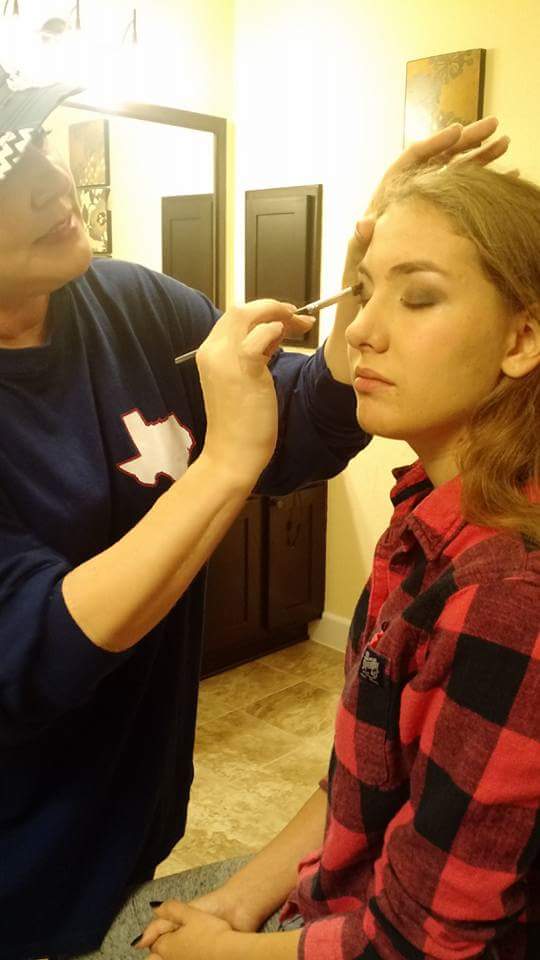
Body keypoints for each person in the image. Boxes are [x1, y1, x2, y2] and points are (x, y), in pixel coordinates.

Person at [0, 60, 509, 960]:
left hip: (129, 814)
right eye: (6, 176)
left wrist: (363, 288)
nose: (49, 181)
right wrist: (225, 460)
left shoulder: (132, 304)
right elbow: (37, 648)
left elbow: (299, 422)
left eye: (38, 143)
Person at [136, 161, 540, 960]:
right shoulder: (425, 515)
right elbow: (361, 785)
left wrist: (214, 952)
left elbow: (416, 947)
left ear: (521, 338)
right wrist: (234, 902)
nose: (359, 330)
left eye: (417, 297)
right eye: (363, 289)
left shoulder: (505, 596)